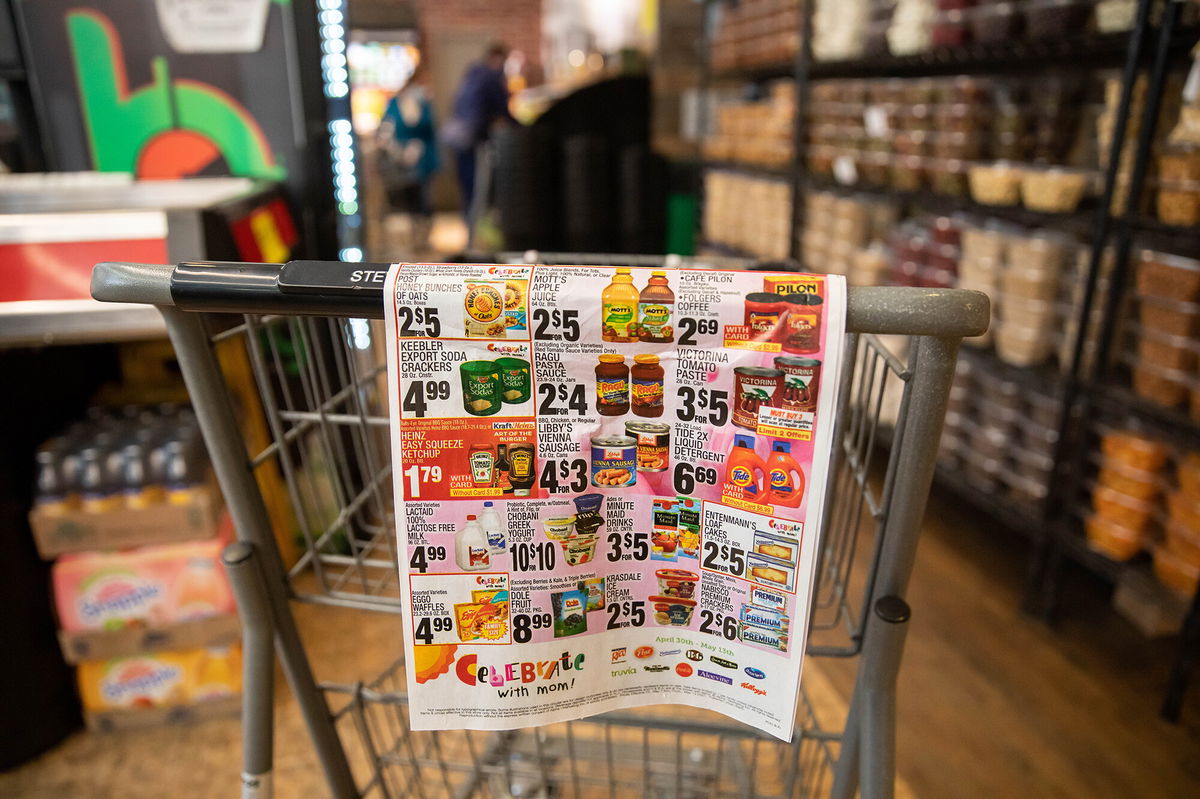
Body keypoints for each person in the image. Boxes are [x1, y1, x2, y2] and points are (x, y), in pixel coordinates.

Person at [443, 43, 516, 221]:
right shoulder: (490, 76)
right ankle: (475, 232)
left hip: (457, 138)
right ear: (498, 59)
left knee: (467, 188)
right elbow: (504, 108)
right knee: (478, 189)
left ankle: (469, 227)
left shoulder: (471, 75)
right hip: (473, 139)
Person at [378, 61, 439, 251]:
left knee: (424, 199)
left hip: (424, 159)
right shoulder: (396, 104)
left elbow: (428, 127)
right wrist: (398, 150)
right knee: (408, 200)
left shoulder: (425, 103)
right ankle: (413, 236)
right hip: (401, 161)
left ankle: (423, 237)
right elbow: (386, 130)